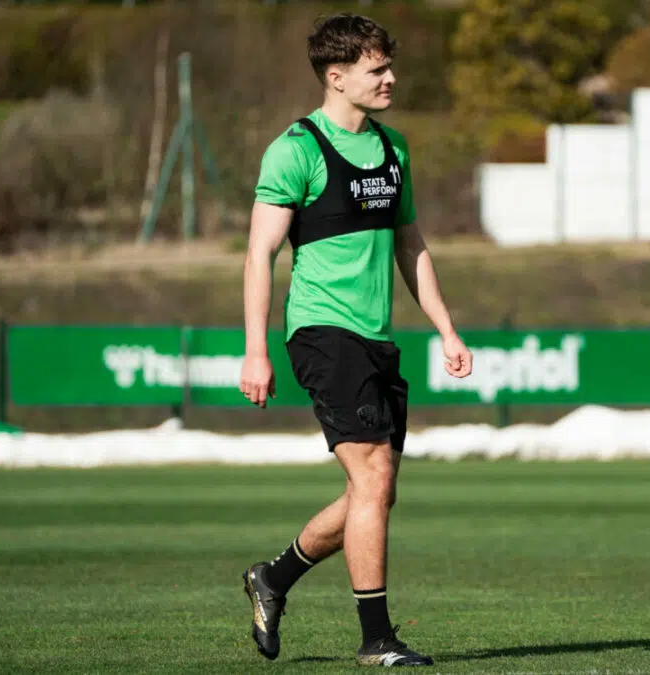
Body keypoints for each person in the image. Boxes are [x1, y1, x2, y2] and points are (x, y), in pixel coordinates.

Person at [238, 12, 473, 669]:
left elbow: (410, 244)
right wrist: (256, 349)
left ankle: (273, 578)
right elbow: (259, 254)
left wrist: (446, 327)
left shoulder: (395, 150)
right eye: (377, 69)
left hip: (377, 338)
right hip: (322, 331)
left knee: (375, 491)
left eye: (390, 66)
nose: (391, 78)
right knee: (370, 475)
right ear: (337, 77)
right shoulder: (295, 150)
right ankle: (377, 638)